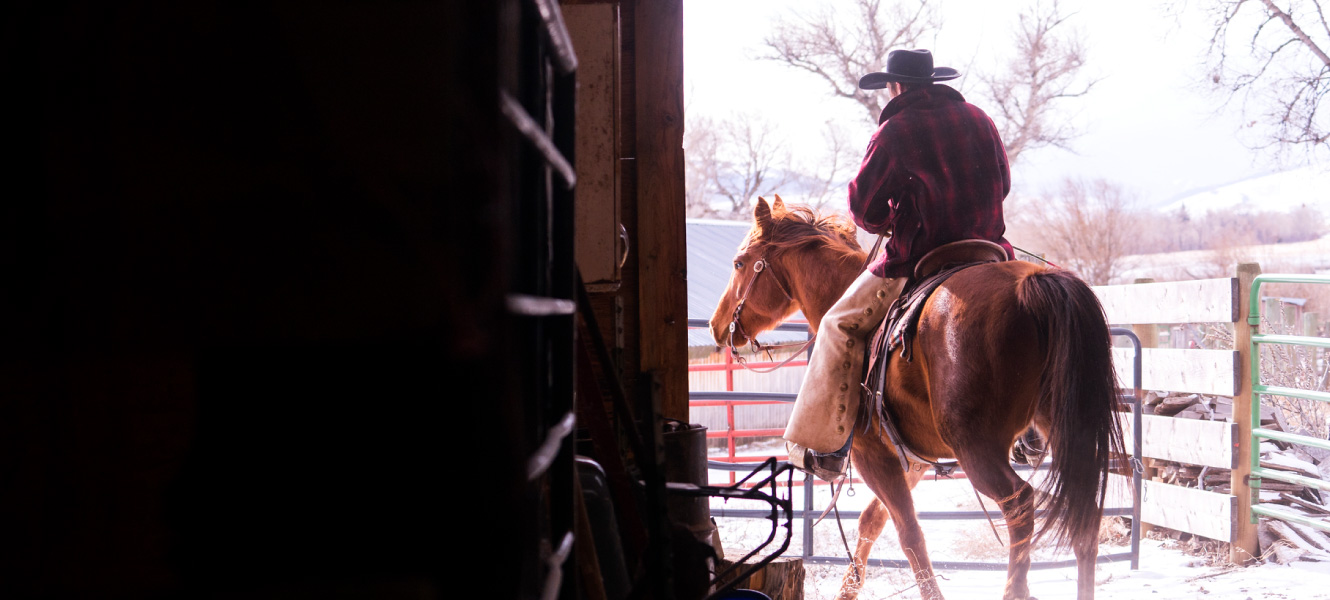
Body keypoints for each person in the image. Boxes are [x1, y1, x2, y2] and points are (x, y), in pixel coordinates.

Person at [785, 49, 1014, 481]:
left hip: (922, 258)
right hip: (990, 250)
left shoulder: (894, 131)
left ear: (896, 86)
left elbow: (862, 209)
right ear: (932, 81)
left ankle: (827, 447)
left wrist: (889, 220)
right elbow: (1003, 184)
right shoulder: (980, 118)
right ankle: (1032, 419)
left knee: (838, 325)